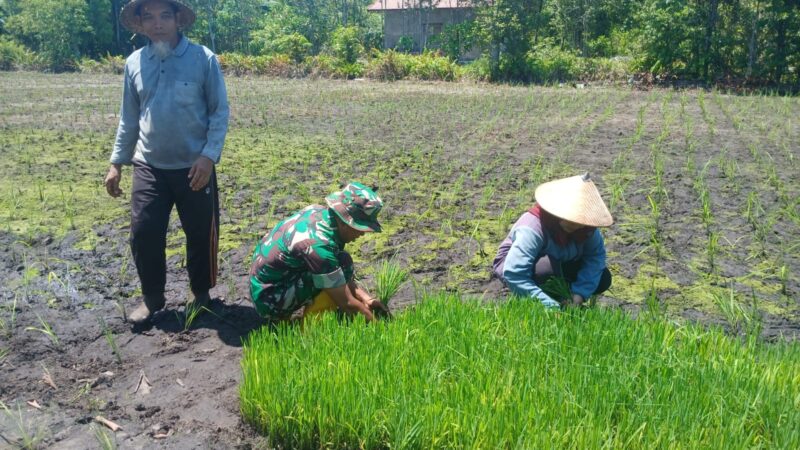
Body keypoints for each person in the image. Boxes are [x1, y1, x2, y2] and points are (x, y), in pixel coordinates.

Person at [104, 0, 229, 324]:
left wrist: (208, 156)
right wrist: (117, 162)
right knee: (144, 232)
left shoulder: (203, 59)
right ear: (141, 24)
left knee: (201, 233)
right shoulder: (134, 63)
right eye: (149, 17)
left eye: (164, 16)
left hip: (194, 166)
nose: (157, 24)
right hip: (149, 164)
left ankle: (201, 295)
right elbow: (129, 118)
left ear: (177, 20)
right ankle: (152, 298)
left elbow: (219, 112)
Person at [249, 182, 389, 322]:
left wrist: (366, 299)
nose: (362, 234)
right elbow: (348, 304)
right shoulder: (318, 246)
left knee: (342, 261)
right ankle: (310, 328)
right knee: (331, 281)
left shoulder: (320, 213)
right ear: (344, 221)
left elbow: (337, 271)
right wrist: (380, 330)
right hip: (269, 297)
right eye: (360, 228)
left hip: (276, 280)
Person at [493, 173, 613, 309]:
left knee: (603, 278)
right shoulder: (532, 227)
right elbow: (515, 273)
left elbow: (595, 258)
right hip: (518, 266)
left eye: (579, 221)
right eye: (570, 218)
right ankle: (535, 296)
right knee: (545, 271)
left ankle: (566, 297)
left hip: (560, 263)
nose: (575, 225)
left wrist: (579, 295)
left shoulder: (587, 230)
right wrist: (553, 308)